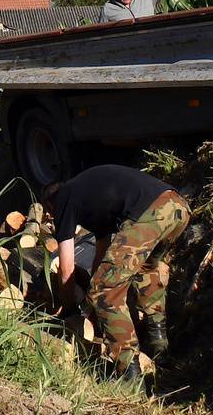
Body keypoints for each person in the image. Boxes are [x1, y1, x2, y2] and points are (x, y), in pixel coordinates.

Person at [45, 164, 192, 385]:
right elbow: (102, 257)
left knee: (104, 289)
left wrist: (70, 310)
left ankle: (129, 374)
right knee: (146, 269)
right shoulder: (90, 196)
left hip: (149, 213)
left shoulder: (63, 198)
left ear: (50, 205)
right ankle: (158, 344)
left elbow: (66, 268)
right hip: (178, 206)